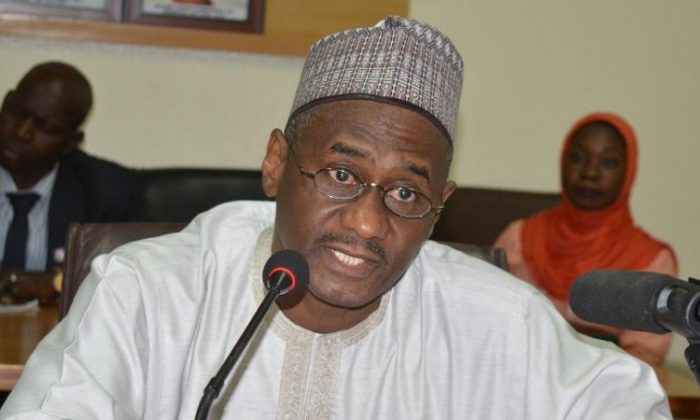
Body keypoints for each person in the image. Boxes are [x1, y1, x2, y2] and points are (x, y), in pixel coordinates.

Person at [0, 18, 671, 419]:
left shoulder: (501, 323)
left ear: (441, 203)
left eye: (406, 194)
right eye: (342, 175)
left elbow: (624, 402)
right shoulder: (148, 293)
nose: (370, 225)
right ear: (276, 162)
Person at [494, 112, 677, 368]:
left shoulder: (651, 261)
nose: (590, 172)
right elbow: (490, 324)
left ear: (629, 171)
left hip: (607, 387)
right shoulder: (520, 239)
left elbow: (645, 359)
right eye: (578, 158)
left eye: (608, 162)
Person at [0, 62, 140, 305]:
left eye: (44, 127)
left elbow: (136, 271)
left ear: (72, 142)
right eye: (16, 113)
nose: (22, 133)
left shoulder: (107, 190)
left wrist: (57, 283)